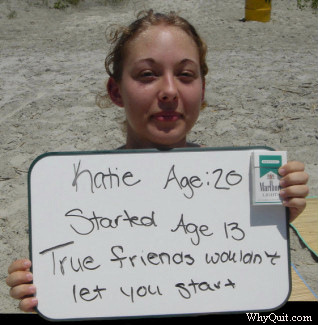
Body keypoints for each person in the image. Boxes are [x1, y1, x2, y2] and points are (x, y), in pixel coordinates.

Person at [6, 10, 309, 313]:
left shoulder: (239, 186)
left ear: (202, 89)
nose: (168, 91)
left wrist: (276, 221)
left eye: (186, 75)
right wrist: (43, 292)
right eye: (148, 75)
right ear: (116, 91)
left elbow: (246, 278)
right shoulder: (80, 196)